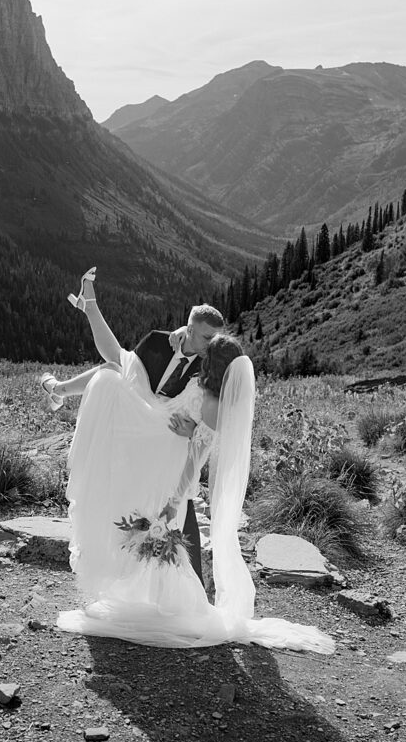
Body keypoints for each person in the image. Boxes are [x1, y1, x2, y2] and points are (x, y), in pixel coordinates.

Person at [42, 269, 335, 654]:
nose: (205, 347)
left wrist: (182, 476)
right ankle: (151, 588)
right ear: (190, 329)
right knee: (110, 376)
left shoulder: (208, 385)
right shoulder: (184, 361)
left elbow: (201, 444)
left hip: (168, 455)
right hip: (153, 438)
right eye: (204, 339)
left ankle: (171, 595)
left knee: (162, 520)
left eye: (212, 344)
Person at [41, 269, 224, 584]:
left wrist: (194, 430)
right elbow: (134, 379)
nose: (213, 344)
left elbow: (215, 415)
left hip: (161, 427)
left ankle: (60, 383)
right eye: (207, 337)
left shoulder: (209, 364)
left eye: (215, 338)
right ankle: (87, 313)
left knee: (112, 367)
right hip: (138, 408)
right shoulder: (157, 342)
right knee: (112, 370)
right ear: (190, 330)